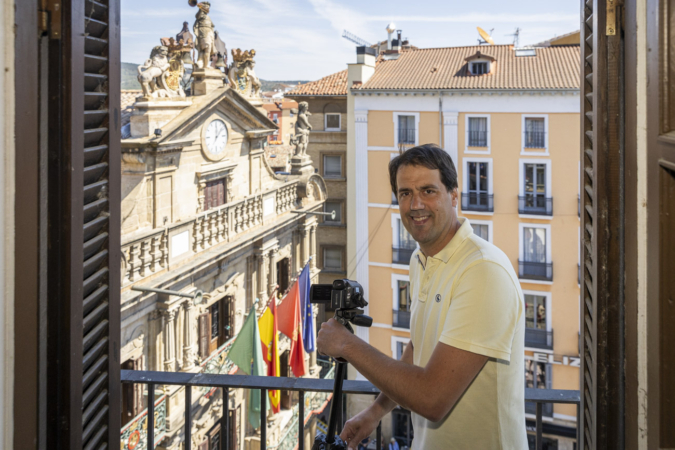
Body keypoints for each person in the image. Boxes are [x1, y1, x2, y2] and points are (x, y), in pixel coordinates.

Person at [316, 144, 527, 449]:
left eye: (428, 190)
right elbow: (420, 346)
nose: (415, 204)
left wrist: (348, 344)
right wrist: (376, 411)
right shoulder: (421, 259)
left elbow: (432, 398)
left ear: (453, 196)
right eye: (405, 193)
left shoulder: (482, 270)